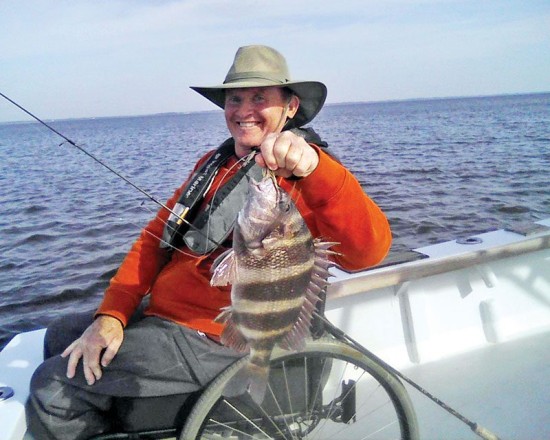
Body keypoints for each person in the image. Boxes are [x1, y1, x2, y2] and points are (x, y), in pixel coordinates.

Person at [26, 45, 392, 439]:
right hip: (168, 315)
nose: (244, 109)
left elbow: (368, 253)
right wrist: (112, 315)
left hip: (215, 335)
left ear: (290, 107)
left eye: (260, 98)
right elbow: (154, 239)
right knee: (60, 336)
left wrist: (317, 168)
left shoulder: (308, 173)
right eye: (235, 98)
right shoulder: (214, 164)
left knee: (54, 386)